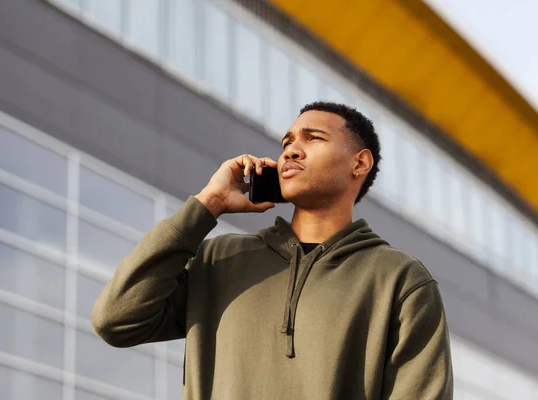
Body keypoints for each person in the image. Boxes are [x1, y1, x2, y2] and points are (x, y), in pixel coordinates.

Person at [91, 102, 454, 399]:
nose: (291, 150)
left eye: (313, 138)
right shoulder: (219, 259)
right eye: (286, 143)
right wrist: (208, 205)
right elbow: (116, 320)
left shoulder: (401, 280)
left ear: (359, 163)